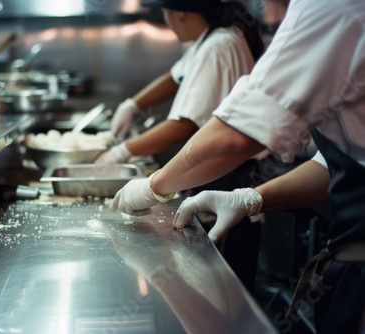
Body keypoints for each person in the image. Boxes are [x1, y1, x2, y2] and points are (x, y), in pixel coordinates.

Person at [110, 0, 365, 332]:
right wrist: (251, 199)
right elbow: (337, 163)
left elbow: (238, 134)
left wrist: (154, 186)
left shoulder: (333, 6)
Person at [99, 0, 266, 292]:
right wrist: (133, 104)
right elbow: (176, 77)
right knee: (217, 287)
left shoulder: (219, 45)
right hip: (220, 168)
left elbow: (184, 124)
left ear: (180, 13)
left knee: (227, 287)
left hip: (231, 176)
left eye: (165, 15)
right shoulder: (211, 39)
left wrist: (124, 152)